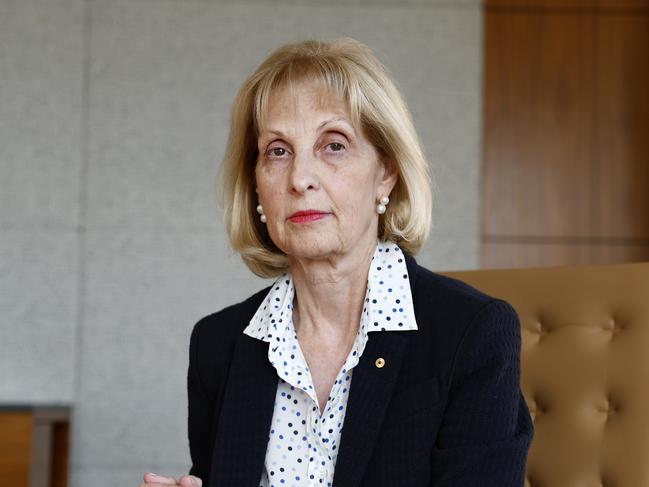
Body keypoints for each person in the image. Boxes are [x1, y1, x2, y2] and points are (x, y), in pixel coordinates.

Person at [140, 37, 533, 487]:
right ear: (255, 186)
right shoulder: (218, 345)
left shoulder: (473, 335)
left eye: (333, 145)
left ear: (385, 173)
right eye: (278, 151)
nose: (300, 178)